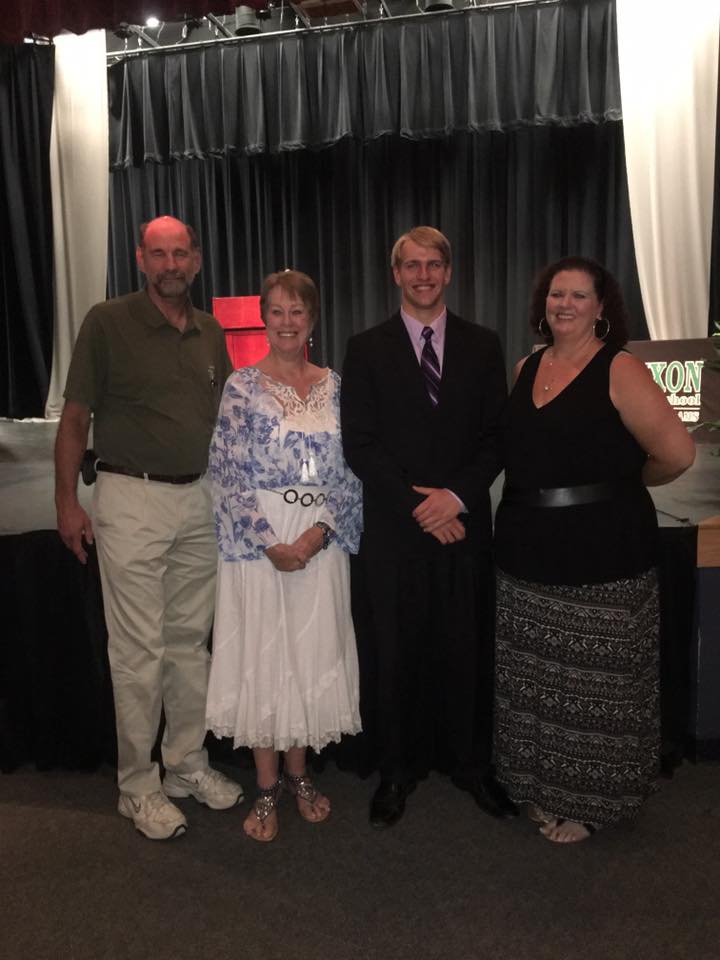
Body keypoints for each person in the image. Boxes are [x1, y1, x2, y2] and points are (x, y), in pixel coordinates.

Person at [493, 255, 696, 843]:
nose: (565, 304)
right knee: (536, 679)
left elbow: (677, 454)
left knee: (596, 685)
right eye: (557, 294)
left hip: (604, 554)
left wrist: (622, 487)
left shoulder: (621, 368)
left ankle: (590, 801)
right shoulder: (524, 367)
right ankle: (541, 783)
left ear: (601, 307)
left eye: (580, 295)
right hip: (527, 551)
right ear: (543, 303)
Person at [55, 215, 243, 840]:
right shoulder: (107, 322)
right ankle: (136, 786)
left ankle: (185, 765)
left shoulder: (213, 332)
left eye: (180, 253)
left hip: (199, 501)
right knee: (139, 652)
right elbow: (76, 416)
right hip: (129, 498)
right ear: (141, 259)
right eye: (158, 253)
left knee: (191, 645)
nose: (170, 264)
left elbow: (221, 424)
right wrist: (66, 503)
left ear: (196, 260)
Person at [340, 226, 516, 828]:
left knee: (467, 649)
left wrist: (457, 498)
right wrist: (423, 507)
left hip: (464, 530)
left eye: (433, 264)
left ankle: (472, 767)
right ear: (396, 273)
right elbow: (359, 445)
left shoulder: (484, 344)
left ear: (448, 271)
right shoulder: (364, 348)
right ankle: (396, 770)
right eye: (411, 265)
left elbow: (497, 438)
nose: (423, 275)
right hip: (395, 533)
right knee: (394, 654)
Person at [205, 269, 362, 843]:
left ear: (312, 320)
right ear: (263, 318)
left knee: (308, 655)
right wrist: (271, 542)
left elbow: (352, 473)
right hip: (259, 546)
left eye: (298, 311)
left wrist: (317, 534)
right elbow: (225, 475)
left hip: (319, 540)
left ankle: (300, 777)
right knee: (264, 659)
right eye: (277, 311)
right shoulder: (241, 387)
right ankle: (266, 785)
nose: (287, 322)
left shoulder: (338, 386)